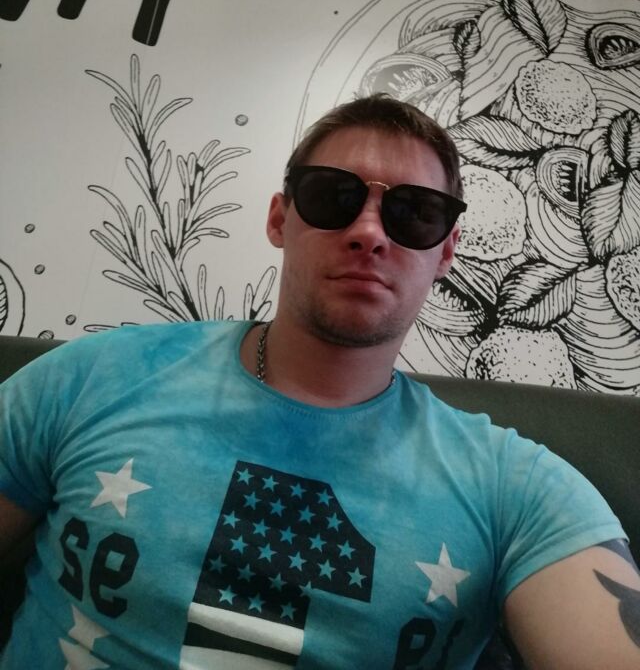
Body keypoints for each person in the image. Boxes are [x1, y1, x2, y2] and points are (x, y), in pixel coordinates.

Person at [0, 93, 638, 670]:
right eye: (333, 196)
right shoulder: (92, 378)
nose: (368, 233)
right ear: (280, 220)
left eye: (415, 213)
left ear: (445, 252)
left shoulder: (516, 491)